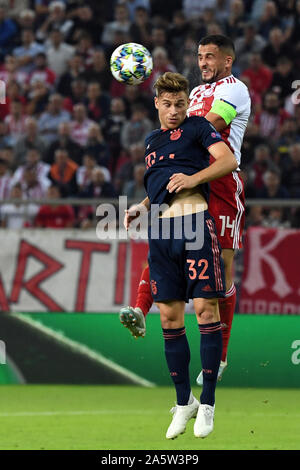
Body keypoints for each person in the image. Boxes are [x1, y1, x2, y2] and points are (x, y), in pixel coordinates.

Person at [120, 35, 251, 386]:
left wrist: (173, 125)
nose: (203, 62)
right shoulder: (191, 96)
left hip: (221, 181)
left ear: (227, 61)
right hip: (187, 181)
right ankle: (140, 308)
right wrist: (147, 200)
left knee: (222, 266)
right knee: (167, 242)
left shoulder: (236, 89)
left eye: (211, 57)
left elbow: (210, 126)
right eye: (199, 56)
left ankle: (220, 354)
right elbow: (177, 145)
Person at [125, 72, 237, 439]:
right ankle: (183, 400)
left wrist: (193, 179)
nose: (174, 111)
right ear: (157, 104)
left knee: (206, 310)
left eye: (180, 104)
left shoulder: (199, 128)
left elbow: (227, 161)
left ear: (187, 103)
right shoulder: (151, 140)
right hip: (161, 231)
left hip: (193, 224)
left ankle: (207, 403)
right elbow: (160, 180)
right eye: (167, 104)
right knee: (170, 319)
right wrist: (142, 206)